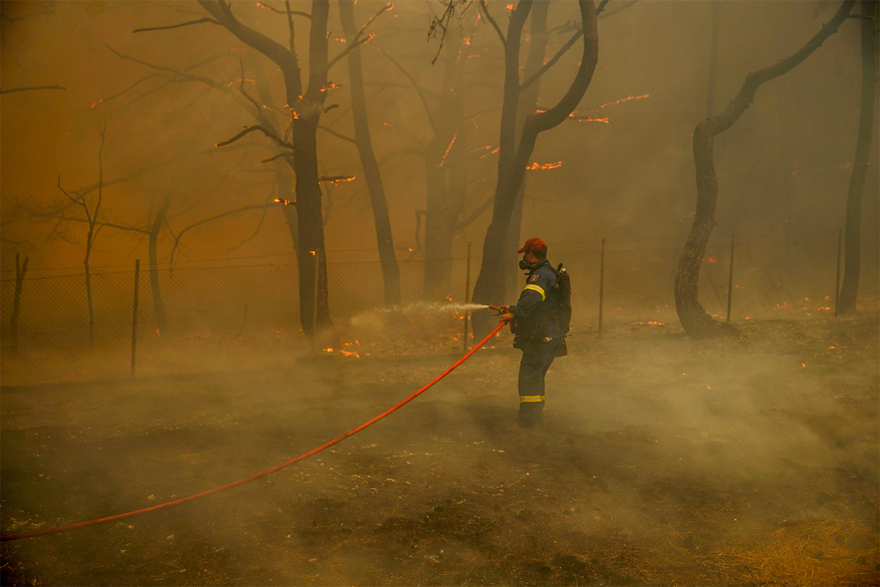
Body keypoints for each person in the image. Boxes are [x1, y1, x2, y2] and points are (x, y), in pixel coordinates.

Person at [498, 238, 563, 427]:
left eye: (525, 254)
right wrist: (513, 308)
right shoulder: (549, 273)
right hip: (551, 334)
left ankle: (529, 421)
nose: (525, 257)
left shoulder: (540, 276)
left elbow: (533, 298)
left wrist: (515, 311)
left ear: (530, 254)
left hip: (542, 337)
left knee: (529, 375)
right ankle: (535, 416)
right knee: (536, 375)